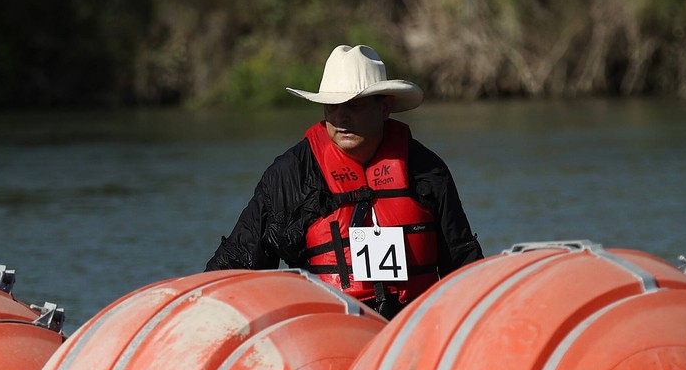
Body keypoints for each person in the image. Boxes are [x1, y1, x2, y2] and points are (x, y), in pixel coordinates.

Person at [205, 44, 483, 318]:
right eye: (332, 105)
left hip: (413, 334)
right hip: (331, 335)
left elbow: (463, 267)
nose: (341, 117)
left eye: (354, 105)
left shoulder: (427, 170)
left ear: (384, 107)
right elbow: (237, 266)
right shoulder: (291, 175)